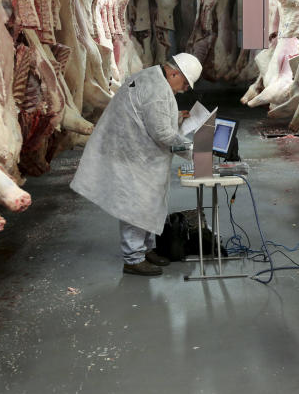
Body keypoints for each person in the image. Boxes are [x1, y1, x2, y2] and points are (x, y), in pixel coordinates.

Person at [70, 53, 203, 276]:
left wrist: (176, 116)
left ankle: (146, 249)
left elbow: (150, 113)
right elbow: (163, 134)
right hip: (132, 154)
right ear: (174, 73)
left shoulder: (152, 76)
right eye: (186, 82)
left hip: (134, 150)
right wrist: (194, 153)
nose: (186, 88)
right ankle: (133, 259)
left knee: (148, 203)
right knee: (136, 205)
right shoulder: (158, 91)